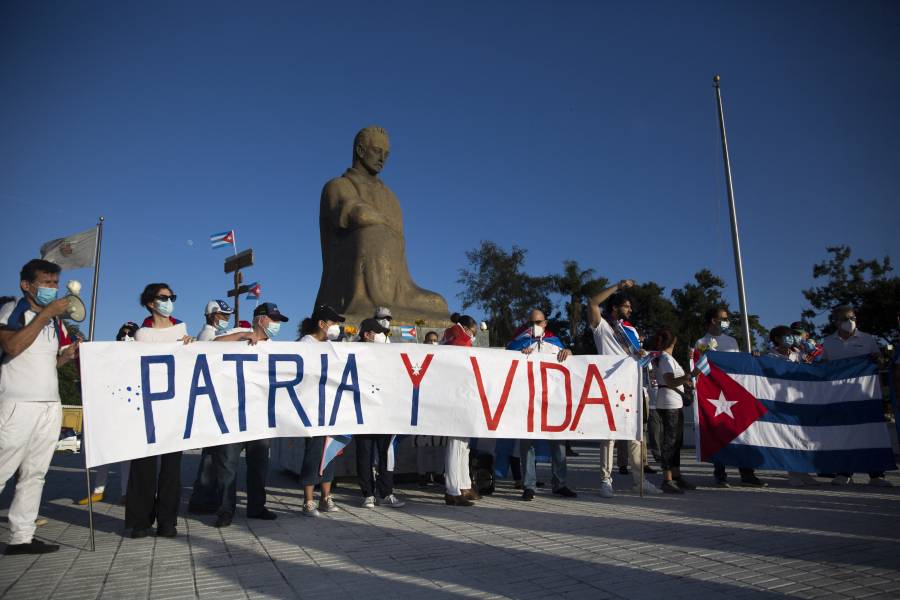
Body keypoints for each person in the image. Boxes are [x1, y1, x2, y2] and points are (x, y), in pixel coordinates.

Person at [0, 259, 79, 555]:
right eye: (46, 282)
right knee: (3, 469)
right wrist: (46, 313)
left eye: (55, 283)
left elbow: (50, 362)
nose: (52, 288)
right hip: (17, 404)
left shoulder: (56, 322)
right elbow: (12, 347)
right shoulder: (13, 310)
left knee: (35, 473)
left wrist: (67, 356)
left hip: (49, 403)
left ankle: (22, 536)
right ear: (27, 285)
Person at [210, 302, 287, 527]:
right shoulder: (237, 335)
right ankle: (225, 510)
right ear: (261, 319)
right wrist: (243, 336)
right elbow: (212, 345)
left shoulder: (274, 347)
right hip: (232, 416)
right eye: (274, 319)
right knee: (227, 466)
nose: (276, 325)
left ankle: (256, 507)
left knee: (258, 466)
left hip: (260, 417)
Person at [126, 283, 194, 539]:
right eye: (164, 297)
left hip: (174, 407)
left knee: (171, 469)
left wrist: (190, 346)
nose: (169, 301)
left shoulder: (182, 329)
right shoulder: (142, 334)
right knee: (142, 465)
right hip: (147, 406)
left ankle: (168, 521)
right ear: (150, 303)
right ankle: (140, 521)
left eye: (172, 297)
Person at [586, 280, 661, 498]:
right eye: (626, 306)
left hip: (633, 387)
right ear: (614, 307)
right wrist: (618, 287)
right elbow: (592, 302)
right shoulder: (602, 327)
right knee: (609, 435)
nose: (629, 310)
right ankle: (606, 480)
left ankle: (639, 481)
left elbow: (635, 357)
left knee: (636, 436)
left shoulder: (632, 331)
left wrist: (644, 355)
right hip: (610, 387)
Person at [506, 309, 577, 501]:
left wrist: (568, 352)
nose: (533, 326)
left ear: (545, 323)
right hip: (527, 400)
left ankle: (560, 484)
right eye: (530, 322)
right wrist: (520, 355)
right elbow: (505, 362)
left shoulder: (554, 342)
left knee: (558, 443)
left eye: (537, 322)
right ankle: (528, 485)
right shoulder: (519, 342)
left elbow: (570, 362)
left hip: (552, 401)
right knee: (527, 443)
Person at [695, 306, 766, 488]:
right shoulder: (701, 342)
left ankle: (747, 473)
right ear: (713, 320)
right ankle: (720, 474)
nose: (726, 322)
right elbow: (699, 368)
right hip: (715, 395)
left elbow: (739, 366)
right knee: (717, 432)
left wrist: (751, 358)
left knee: (742, 431)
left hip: (735, 393)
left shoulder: (732, 341)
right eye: (723, 318)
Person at [821, 306, 891, 487]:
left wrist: (878, 358)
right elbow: (824, 367)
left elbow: (880, 361)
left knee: (870, 432)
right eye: (844, 318)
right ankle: (844, 472)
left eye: (852, 317)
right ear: (836, 321)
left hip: (866, 395)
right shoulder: (828, 342)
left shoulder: (867, 339)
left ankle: (876, 475)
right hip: (840, 397)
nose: (850, 321)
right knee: (844, 433)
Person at [78, 321, 138, 506]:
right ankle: (98, 490)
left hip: (128, 411)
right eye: (123, 333)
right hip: (108, 410)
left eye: (130, 334)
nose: (125, 336)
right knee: (102, 451)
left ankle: (126, 492)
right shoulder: (108, 355)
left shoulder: (137, 357)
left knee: (126, 456)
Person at [296, 305, 346, 516]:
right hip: (312, 408)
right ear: (322, 324)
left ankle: (326, 496)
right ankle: (308, 500)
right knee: (313, 453)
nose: (335, 327)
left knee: (330, 452)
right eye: (333, 323)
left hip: (331, 407)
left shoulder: (331, 345)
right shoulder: (305, 344)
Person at [354, 318, 406, 508]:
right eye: (378, 332)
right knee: (364, 453)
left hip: (384, 412)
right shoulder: (353, 353)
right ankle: (367, 493)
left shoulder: (387, 354)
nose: (382, 336)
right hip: (362, 412)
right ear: (367, 335)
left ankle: (386, 493)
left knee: (386, 453)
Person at [766, 326, 820, 487]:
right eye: (787, 336)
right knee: (789, 438)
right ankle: (793, 473)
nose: (791, 339)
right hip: (781, 403)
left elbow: (814, 368)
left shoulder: (799, 355)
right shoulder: (769, 356)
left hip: (801, 402)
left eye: (792, 336)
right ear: (776, 338)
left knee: (804, 438)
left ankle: (805, 472)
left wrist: (812, 353)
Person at [650, 328, 699, 494]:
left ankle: (676, 476)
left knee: (676, 442)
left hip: (672, 401)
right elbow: (670, 381)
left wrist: (686, 379)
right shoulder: (665, 358)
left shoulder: (665, 358)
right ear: (673, 341)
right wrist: (689, 376)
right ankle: (668, 478)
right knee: (670, 442)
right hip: (669, 402)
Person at [441, 314, 479, 506]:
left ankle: (464, 484)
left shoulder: (454, 335)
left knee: (464, 445)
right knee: (456, 444)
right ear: (466, 327)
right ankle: (453, 489)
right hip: (455, 396)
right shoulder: (458, 338)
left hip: (462, 395)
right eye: (473, 331)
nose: (474, 336)